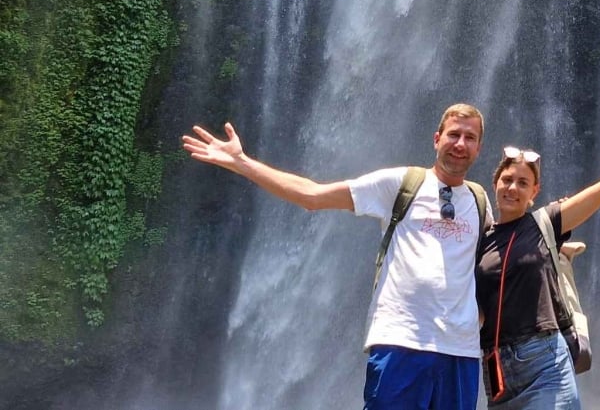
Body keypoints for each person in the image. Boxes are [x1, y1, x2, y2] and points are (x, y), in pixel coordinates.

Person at [182, 104, 491, 410]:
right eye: (454, 135)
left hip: (459, 351)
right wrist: (242, 163)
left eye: (470, 137)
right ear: (437, 139)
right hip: (402, 341)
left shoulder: (480, 202)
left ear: (479, 147)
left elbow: (496, 268)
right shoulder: (401, 183)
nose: (460, 144)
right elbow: (313, 197)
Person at [476, 107, 600, 408]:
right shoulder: (479, 239)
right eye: (507, 180)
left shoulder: (545, 222)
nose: (513, 188)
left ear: (535, 191)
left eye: (522, 183)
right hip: (497, 372)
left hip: (545, 362)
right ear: (495, 184)